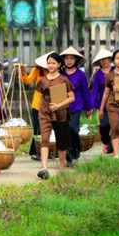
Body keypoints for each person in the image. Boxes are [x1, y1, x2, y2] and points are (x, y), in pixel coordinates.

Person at [36, 52, 75, 180]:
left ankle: (62, 165)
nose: (50, 65)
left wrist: (58, 105)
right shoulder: (42, 80)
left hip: (60, 113)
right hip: (45, 113)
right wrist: (41, 111)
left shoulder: (64, 80)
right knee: (45, 138)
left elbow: (71, 98)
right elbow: (41, 97)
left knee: (61, 140)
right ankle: (44, 168)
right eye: (49, 63)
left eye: (53, 63)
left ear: (59, 64)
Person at [59, 46, 92, 165]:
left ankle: (75, 150)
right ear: (63, 60)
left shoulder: (81, 75)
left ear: (76, 60)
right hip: (62, 107)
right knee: (64, 131)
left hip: (77, 105)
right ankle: (67, 155)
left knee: (73, 128)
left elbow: (85, 92)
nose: (69, 61)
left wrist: (88, 108)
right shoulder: (60, 74)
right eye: (66, 58)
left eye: (71, 58)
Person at [20, 57, 49, 161]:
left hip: (51, 104)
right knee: (37, 127)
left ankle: (47, 151)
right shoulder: (37, 70)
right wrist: (23, 72)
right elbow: (27, 81)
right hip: (37, 104)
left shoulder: (56, 72)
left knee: (48, 128)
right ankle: (34, 151)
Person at [91, 48, 114, 154]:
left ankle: (112, 147)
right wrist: (92, 105)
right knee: (104, 125)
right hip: (102, 104)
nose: (104, 61)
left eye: (106, 59)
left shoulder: (115, 71)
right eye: (101, 60)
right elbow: (95, 91)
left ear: (110, 59)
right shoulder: (97, 74)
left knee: (114, 125)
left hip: (115, 102)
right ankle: (105, 142)